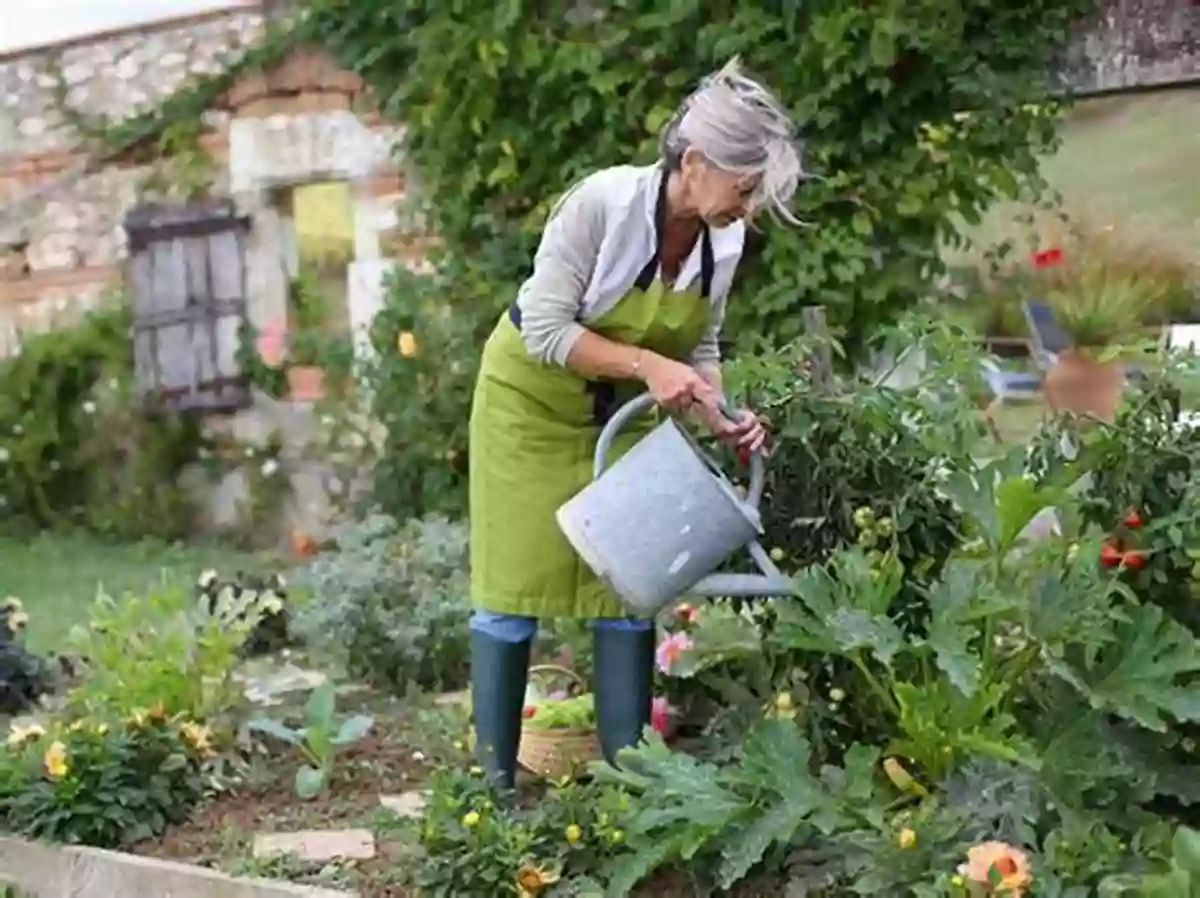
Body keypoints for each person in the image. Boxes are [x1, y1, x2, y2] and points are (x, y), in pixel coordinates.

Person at [468, 58, 805, 789]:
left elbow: (701, 346)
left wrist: (721, 414)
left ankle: (630, 786)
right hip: (528, 409)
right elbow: (546, 330)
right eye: (744, 189)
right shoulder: (602, 206)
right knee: (510, 596)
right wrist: (650, 368)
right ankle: (491, 791)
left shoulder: (725, 241)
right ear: (694, 163)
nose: (747, 208)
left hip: (617, 419)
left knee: (627, 586)